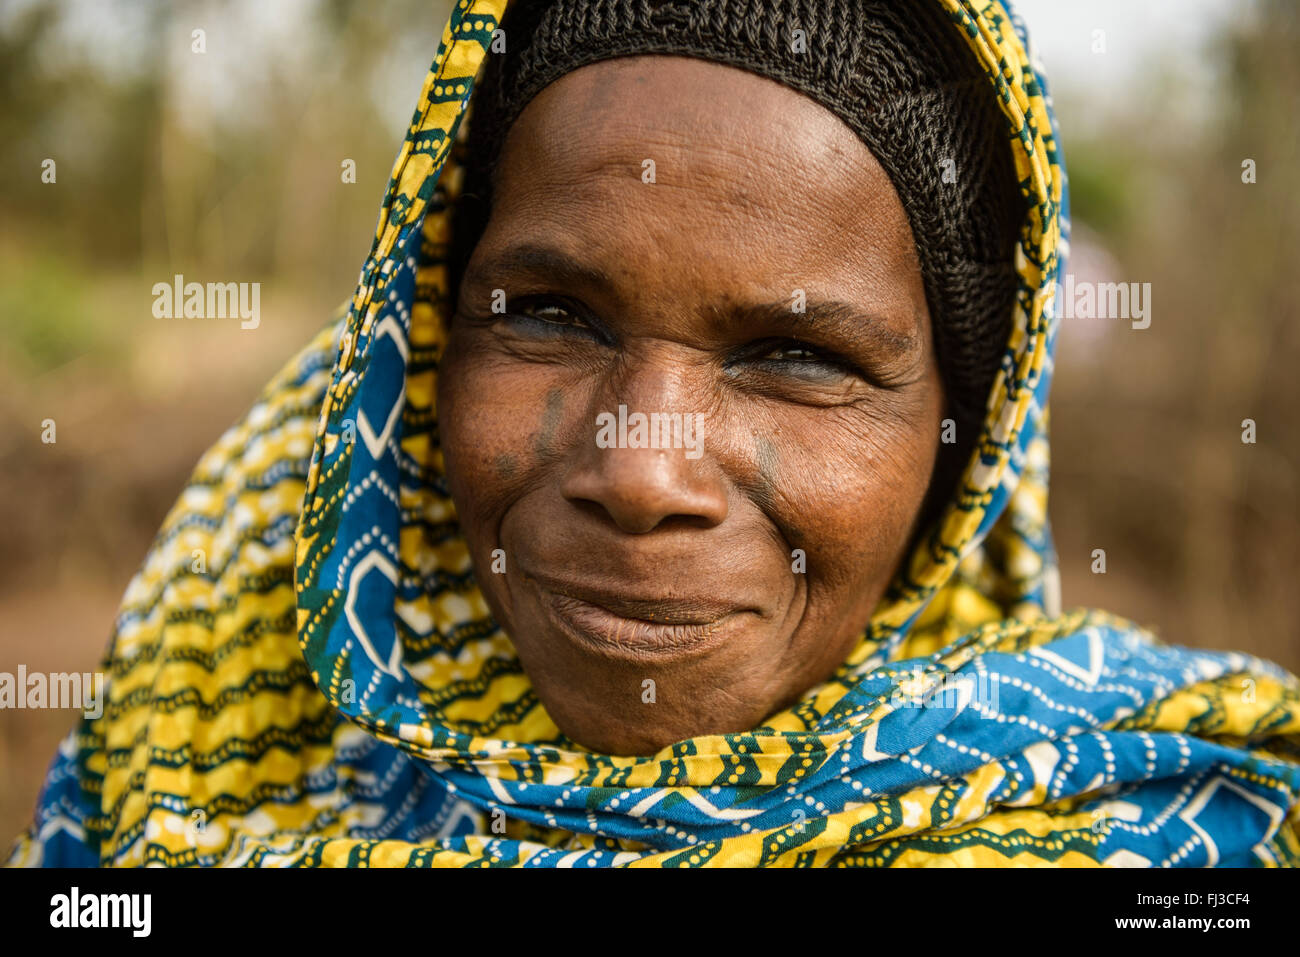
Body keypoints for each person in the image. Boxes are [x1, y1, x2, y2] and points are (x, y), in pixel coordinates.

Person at [8, 0, 1300, 868]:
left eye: (798, 356)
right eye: (554, 317)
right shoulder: (190, 747)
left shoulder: (1184, 826)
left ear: (964, 451)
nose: (640, 470)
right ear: (422, 351)